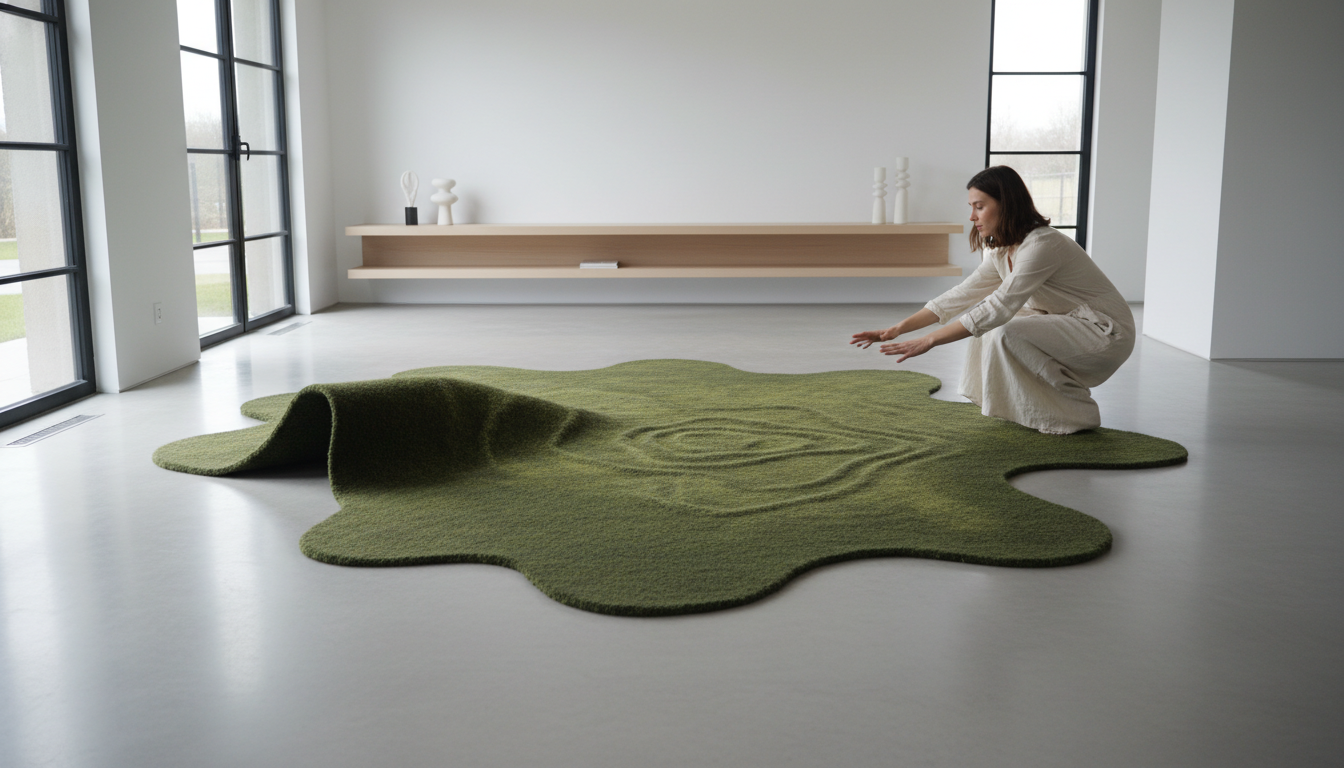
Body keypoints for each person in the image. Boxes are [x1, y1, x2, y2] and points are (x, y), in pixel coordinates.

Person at [850, 165, 1135, 435]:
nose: (972, 217)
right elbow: (960, 295)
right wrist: (898, 329)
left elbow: (999, 306)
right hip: (1066, 323)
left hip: (1104, 332)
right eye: (972, 207)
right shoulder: (1003, 251)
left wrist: (929, 340)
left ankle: (1076, 413)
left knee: (1001, 328)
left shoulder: (1042, 246)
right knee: (984, 327)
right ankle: (1015, 406)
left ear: (1006, 204)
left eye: (979, 206)